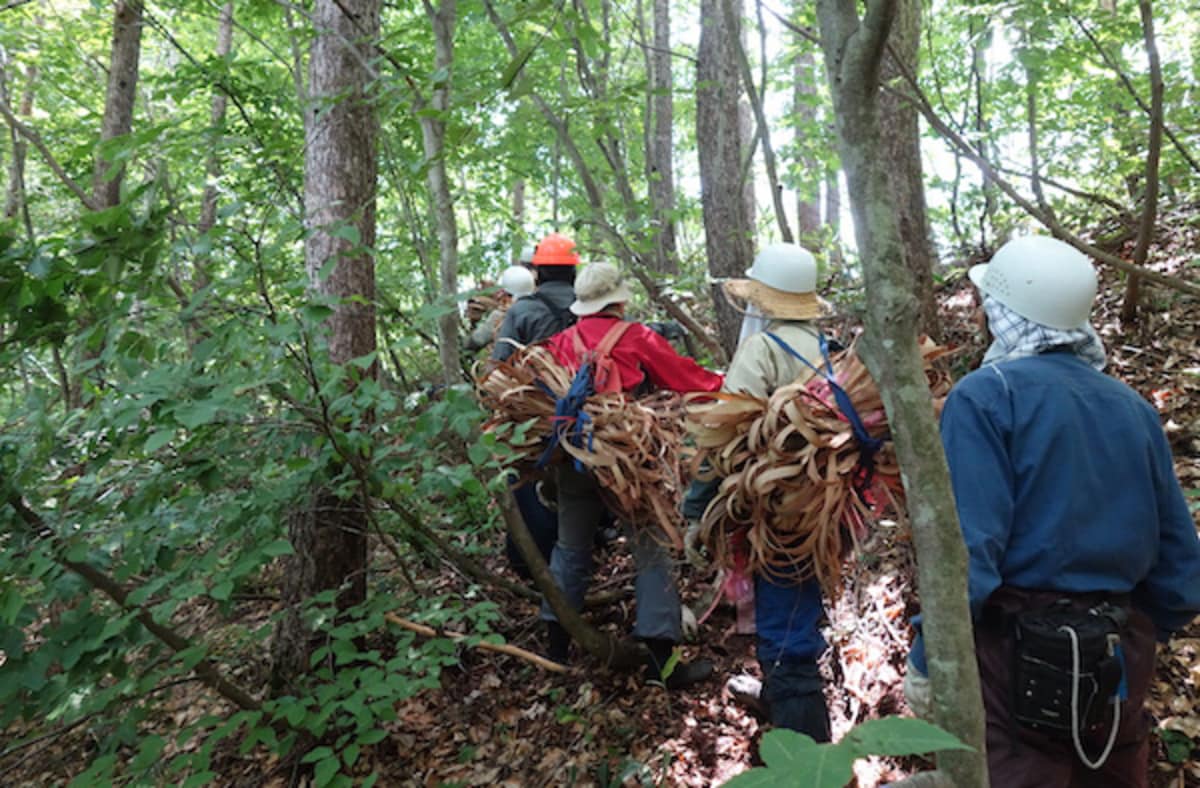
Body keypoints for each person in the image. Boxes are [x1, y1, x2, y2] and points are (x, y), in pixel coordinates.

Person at [905, 235, 1200, 786]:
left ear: (999, 315)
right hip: (1119, 654)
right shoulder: (1132, 408)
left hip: (1015, 657)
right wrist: (1133, 636)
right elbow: (1182, 571)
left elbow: (969, 553)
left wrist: (928, 654)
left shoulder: (984, 397)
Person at [540, 260, 724, 689]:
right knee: (651, 551)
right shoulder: (637, 336)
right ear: (619, 300)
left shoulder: (561, 342)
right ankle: (664, 666)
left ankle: (554, 647)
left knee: (571, 549)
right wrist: (727, 383)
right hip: (627, 464)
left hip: (572, 457)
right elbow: (688, 381)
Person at [681, 242, 835, 740]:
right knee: (799, 609)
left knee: (785, 633)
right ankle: (781, 704)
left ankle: (808, 761)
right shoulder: (828, 349)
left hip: (778, 514)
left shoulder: (763, 350)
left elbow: (721, 435)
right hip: (825, 508)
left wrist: (697, 509)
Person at [491, 234, 579, 363]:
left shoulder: (521, 310)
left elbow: (500, 361)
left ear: (538, 271)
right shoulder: (592, 308)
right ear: (573, 271)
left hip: (535, 381)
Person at [464, 265, 536, 353]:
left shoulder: (500, 315)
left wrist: (473, 323)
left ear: (504, 292)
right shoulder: (540, 309)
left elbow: (473, 343)